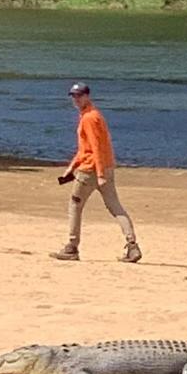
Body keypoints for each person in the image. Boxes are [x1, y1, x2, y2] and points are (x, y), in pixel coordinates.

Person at [50, 82, 142, 263]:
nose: (76, 99)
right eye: (73, 96)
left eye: (79, 96)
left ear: (87, 96)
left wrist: (99, 174)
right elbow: (85, 148)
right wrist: (71, 167)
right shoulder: (93, 114)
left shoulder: (89, 118)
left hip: (91, 170)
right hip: (104, 167)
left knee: (75, 205)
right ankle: (132, 245)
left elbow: (96, 148)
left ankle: (72, 246)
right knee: (115, 207)